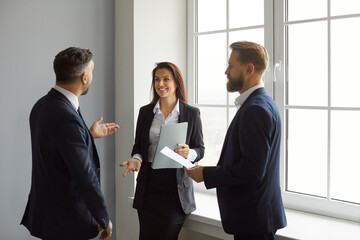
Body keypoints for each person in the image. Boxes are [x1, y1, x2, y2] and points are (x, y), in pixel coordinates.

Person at [186, 41, 287, 240]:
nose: (226, 71)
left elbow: (253, 170)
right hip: (256, 217)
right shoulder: (262, 103)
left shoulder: (255, 110)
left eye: (231, 66)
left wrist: (206, 174)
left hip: (253, 220)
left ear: (249, 69)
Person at [21, 47, 119, 240]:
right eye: (91, 71)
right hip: (67, 220)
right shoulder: (66, 116)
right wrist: (102, 216)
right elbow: (84, 174)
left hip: (49, 216)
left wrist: (88, 135)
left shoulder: (42, 105)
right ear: (84, 77)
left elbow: (56, 152)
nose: (92, 76)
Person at [120, 62, 204, 240]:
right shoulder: (145, 112)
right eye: (157, 80)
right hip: (149, 187)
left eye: (166, 79)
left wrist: (190, 153)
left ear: (176, 83)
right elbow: (138, 147)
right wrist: (136, 159)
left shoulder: (191, 113)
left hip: (175, 189)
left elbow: (200, 149)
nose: (160, 84)